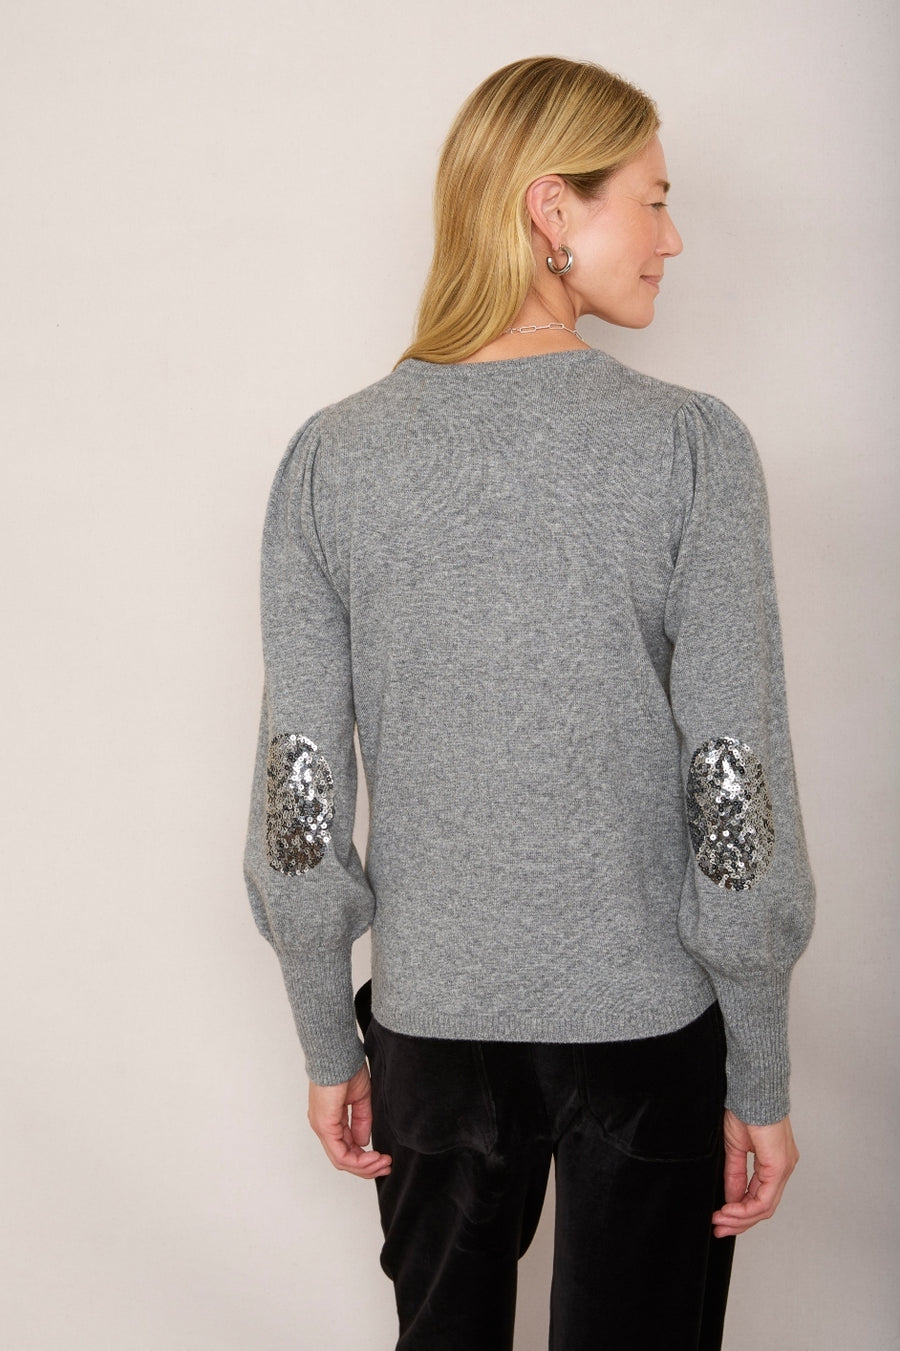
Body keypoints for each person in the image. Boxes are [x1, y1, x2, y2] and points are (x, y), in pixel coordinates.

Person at [244, 55, 815, 1350]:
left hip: (430, 1035)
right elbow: (733, 778)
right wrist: (761, 1064)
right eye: (653, 201)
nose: (673, 238)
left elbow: (299, 793)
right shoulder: (690, 445)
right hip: (649, 1033)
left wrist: (332, 1042)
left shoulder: (334, 456)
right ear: (552, 207)